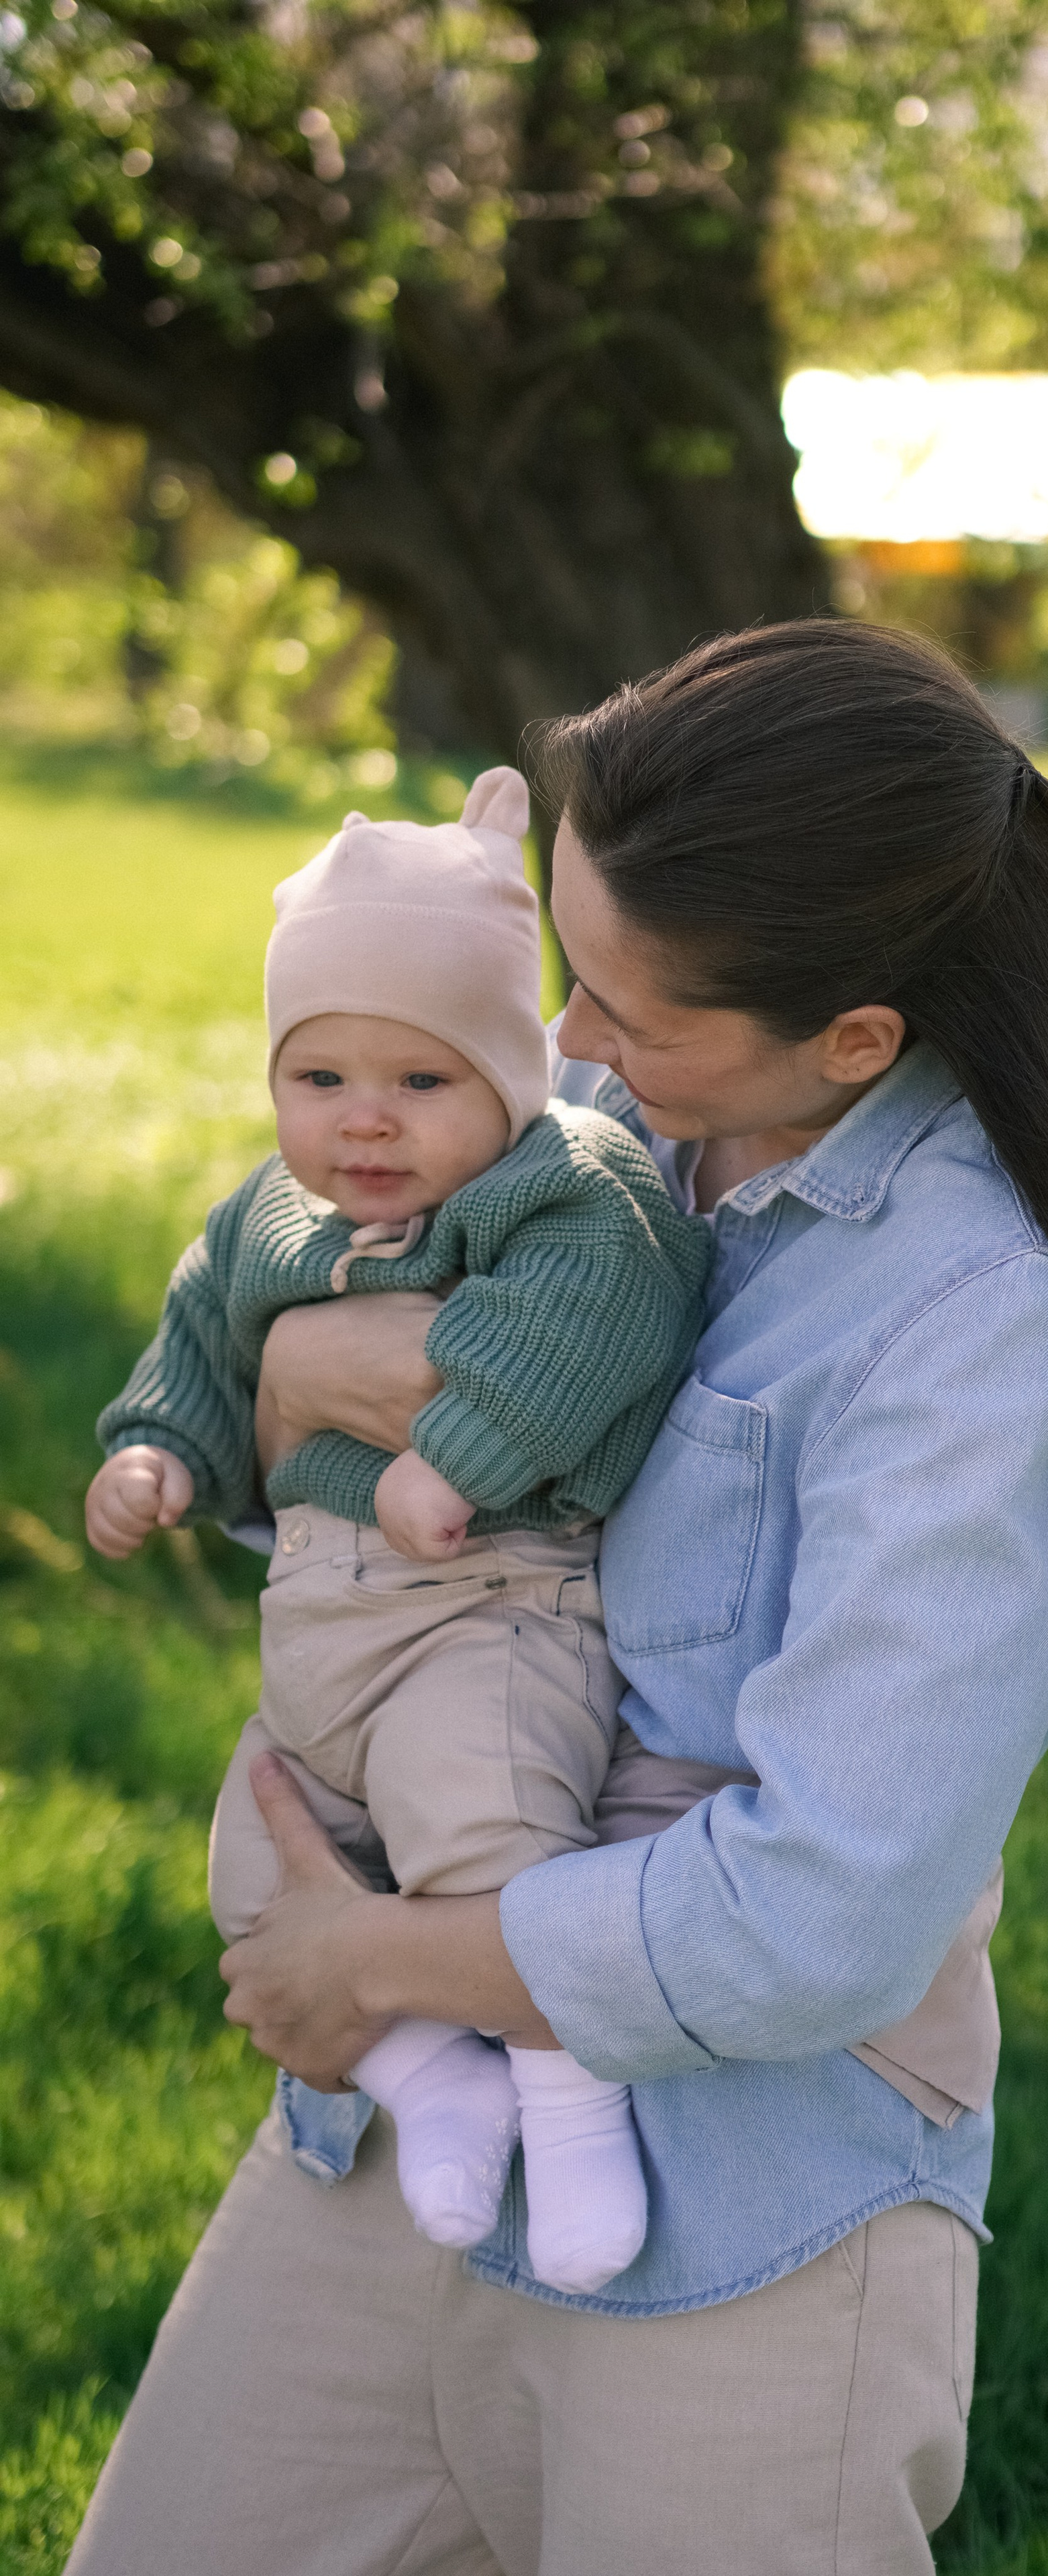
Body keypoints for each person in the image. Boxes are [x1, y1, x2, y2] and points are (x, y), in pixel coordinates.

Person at [68, 619, 1048, 2576]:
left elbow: (825, 1904)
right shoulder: (610, 1133)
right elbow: (291, 1396)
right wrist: (289, 1390)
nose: (571, 1042)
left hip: (743, 2213)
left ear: (854, 1043)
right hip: (405, 2134)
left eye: (638, 1015)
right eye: (569, 967)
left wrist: (379, 1969)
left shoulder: (969, 1316)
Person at [85, 766, 715, 2292]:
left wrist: (462, 1450)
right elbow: (205, 1344)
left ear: (507, 1077)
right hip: (320, 1642)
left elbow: (590, 1320)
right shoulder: (267, 1221)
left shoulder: (562, 1188)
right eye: (321, 1081)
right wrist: (158, 1449)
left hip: (488, 1612)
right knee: (260, 1877)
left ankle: (569, 2112)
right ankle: (438, 2087)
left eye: (421, 1083)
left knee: (480, 1830)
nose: (363, 1122)